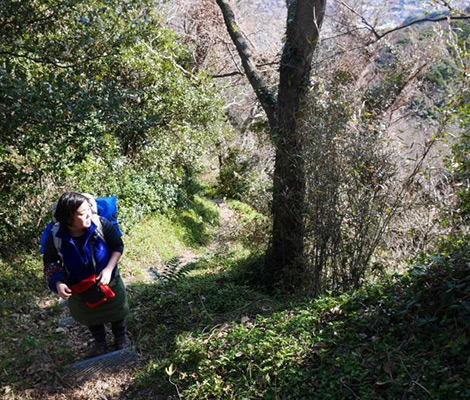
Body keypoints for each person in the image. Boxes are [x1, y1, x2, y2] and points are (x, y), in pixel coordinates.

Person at [43, 191, 129, 356]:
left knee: (116, 311)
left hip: (108, 280)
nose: (89, 215)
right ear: (68, 219)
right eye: (82, 214)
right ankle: (100, 342)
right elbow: (51, 262)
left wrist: (109, 269)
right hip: (79, 287)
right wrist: (59, 283)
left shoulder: (101, 224)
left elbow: (117, 246)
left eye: (89, 210)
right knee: (90, 316)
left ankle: (121, 337)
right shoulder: (56, 236)